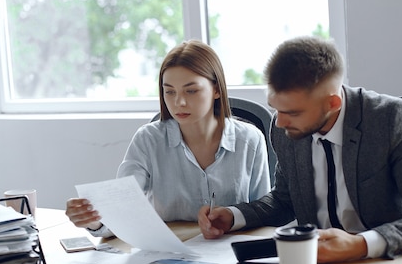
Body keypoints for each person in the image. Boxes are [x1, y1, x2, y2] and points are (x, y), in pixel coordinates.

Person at [198, 36, 402, 263]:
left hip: (386, 263)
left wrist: (360, 245)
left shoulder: (391, 119)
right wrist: (234, 216)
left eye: (293, 112)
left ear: (332, 103)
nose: (280, 121)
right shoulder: (285, 129)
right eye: (275, 107)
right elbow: (284, 200)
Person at [66, 40, 271, 237]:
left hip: (229, 254)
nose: (179, 102)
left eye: (191, 91)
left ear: (216, 89)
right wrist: (93, 219)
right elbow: (123, 210)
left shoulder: (250, 141)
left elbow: (264, 214)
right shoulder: (147, 140)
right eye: (169, 92)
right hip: (169, 253)